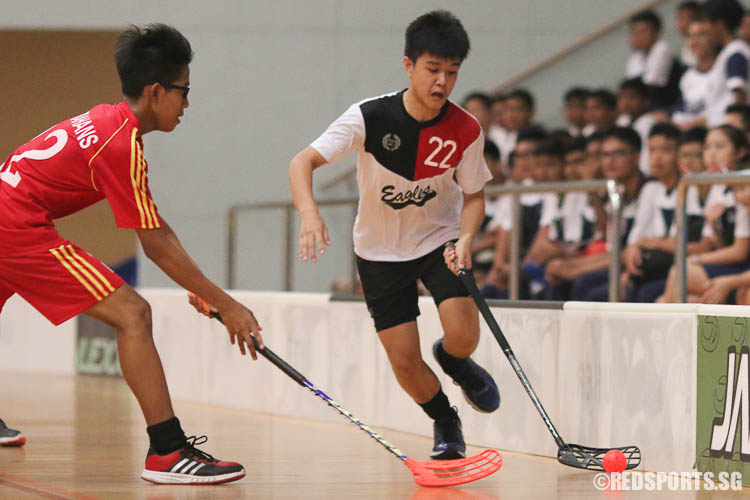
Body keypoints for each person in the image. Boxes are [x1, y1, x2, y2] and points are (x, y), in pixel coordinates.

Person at [0, 24, 262, 484]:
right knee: (133, 314)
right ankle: (167, 451)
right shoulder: (120, 143)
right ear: (156, 91)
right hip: (13, 224)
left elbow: (159, 231)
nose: (187, 104)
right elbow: (155, 241)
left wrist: (198, 286)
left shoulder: (104, 120)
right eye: (184, 91)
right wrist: (226, 302)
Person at [288, 10, 500, 460]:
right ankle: (446, 421)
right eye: (433, 70)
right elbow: (301, 162)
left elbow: (475, 196)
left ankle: (455, 360)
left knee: (464, 336)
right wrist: (310, 214)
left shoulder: (466, 129)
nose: (442, 82)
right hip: (379, 251)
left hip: (439, 239)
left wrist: (465, 240)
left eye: (452, 72)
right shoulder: (369, 116)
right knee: (404, 360)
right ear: (409, 66)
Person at [658, 125, 750, 303]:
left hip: (741, 269)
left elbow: (740, 251)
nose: (712, 154)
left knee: (682, 272)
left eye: (720, 146)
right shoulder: (719, 187)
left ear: (740, 152)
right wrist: (714, 225)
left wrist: (698, 259)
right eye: (707, 148)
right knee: (688, 298)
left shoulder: (742, 178)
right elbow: (721, 245)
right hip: (739, 269)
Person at [703, 0, 750, 127]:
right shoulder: (728, 52)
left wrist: (734, 126)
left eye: (706, 22)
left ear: (720, 24)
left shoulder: (735, 52)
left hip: (730, 129)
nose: (705, 28)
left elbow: (739, 94)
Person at [625, 10, 682, 109]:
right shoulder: (635, 57)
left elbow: (649, 87)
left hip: (668, 105)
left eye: (643, 32)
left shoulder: (662, 49)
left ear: (656, 33)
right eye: (634, 32)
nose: (638, 36)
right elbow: (631, 88)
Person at [672, 16, 718, 129]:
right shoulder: (687, 77)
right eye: (690, 36)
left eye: (701, 34)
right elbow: (679, 113)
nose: (695, 41)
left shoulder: (724, 68)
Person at [675, 1, 702, 67]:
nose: (679, 23)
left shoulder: (704, 41)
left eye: (683, 18)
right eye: (678, 19)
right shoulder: (686, 45)